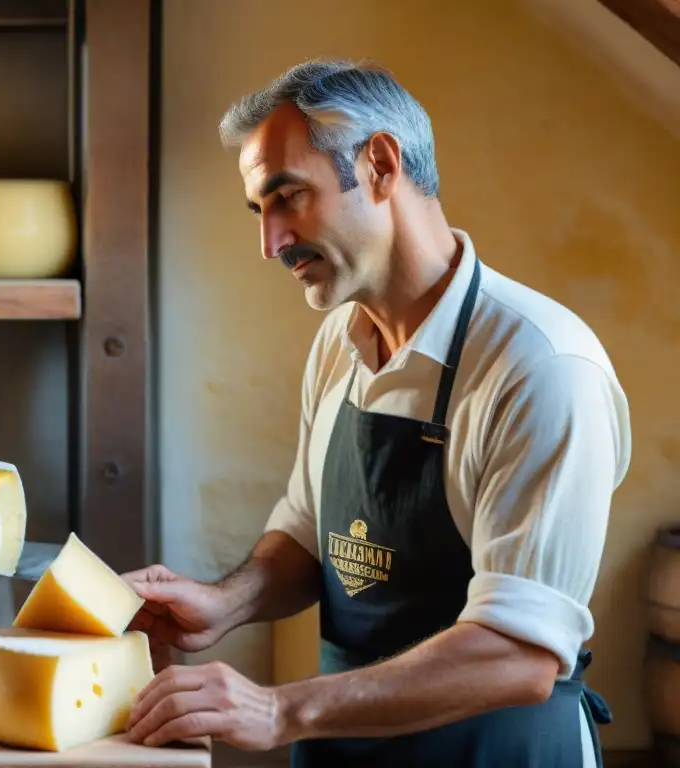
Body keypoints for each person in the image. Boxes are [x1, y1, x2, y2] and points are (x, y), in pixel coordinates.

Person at [121, 58, 631, 768]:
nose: (269, 243)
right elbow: (307, 534)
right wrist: (225, 601)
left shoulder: (542, 367)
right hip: (344, 747)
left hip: (495, 754)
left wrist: (278, 709)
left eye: (288, 196)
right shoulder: (339, 341)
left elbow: (520, 655)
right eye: (259, 210)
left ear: (381, 165)